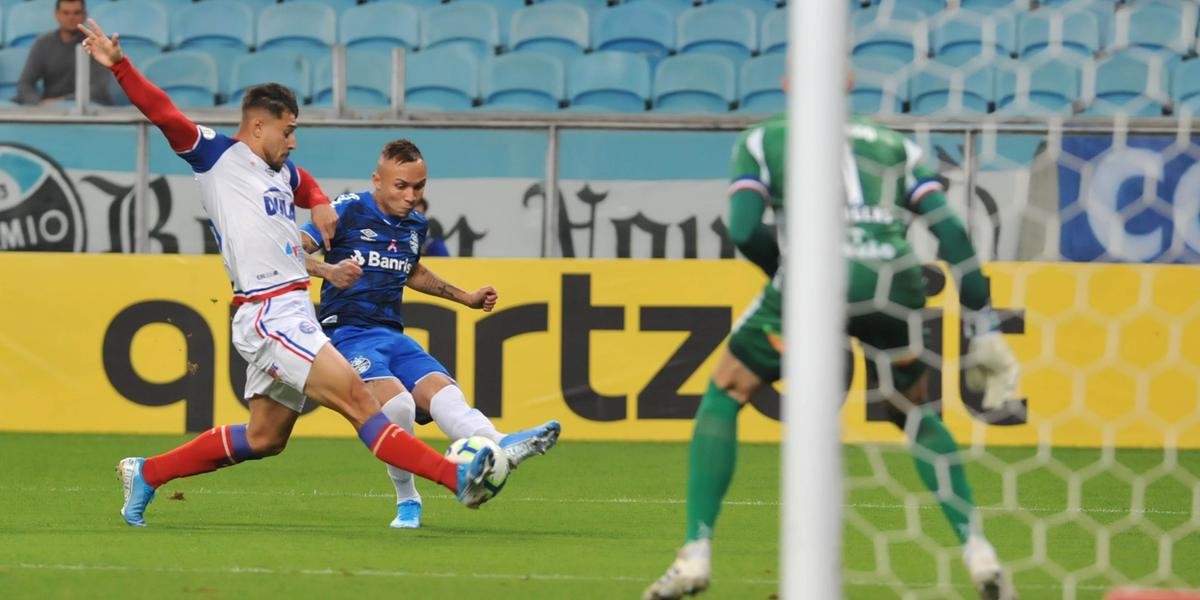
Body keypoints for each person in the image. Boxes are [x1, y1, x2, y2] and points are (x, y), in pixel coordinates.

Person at [78, 18, 505, 527]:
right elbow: (163, 112)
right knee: (356, 395)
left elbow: (305, 183)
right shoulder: (219, 158)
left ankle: (148, 472)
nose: (294, 141)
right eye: (289, 130)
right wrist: (121, 67)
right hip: (268, 312)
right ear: (259, 126)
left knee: (265, 438)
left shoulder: (280, 172)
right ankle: (454, 478)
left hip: (290, 307)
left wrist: (321, 203)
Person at [643, 111, 1021, 600]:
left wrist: (785, 271)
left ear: (788, 80)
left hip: (814, 277)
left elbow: (742, 228)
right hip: (893, 283)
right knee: (915, 415)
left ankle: (695, 553)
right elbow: (953, 236)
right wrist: (983, 325)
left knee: (727, 390)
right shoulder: (894, 146)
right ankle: (978, 549)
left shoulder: (766, 138)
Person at [300, 139, 560, 529]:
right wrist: (328, 271)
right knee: (400, 407)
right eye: (401, 186)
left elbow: (413, 270)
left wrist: (465, 298)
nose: (411, 196)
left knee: (446, 396)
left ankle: (502, 443)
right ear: (378, 180)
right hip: (348, 334)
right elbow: (288, 249)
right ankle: (408, 498)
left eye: (419, 187)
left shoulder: (416, 225)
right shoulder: (347, 210)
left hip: (392, 334)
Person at [17, 0, 111, 106]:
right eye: (66, 13)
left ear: (84, 15)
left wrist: (61, 102)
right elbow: (25, 84)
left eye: (77, 13)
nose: (71, 18)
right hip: (50, 113)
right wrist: (37, 103)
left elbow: (99, 89)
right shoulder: (43, 43)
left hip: (90, 111)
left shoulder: (97, 44)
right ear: (57, 15)